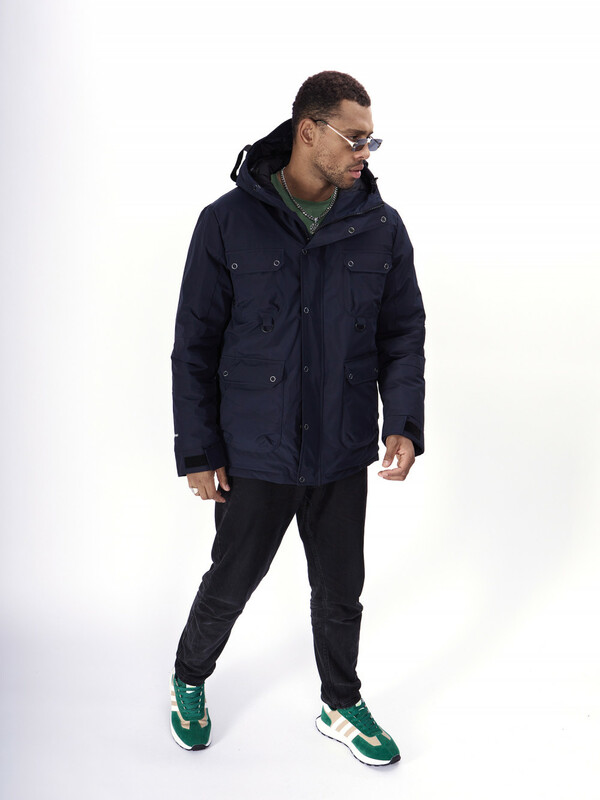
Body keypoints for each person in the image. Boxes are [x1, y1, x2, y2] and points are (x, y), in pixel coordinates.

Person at [169, 70, 426, 767]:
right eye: (354, 138)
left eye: (371, 141)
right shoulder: (226, 223)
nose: (364, 153)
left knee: (342, 592)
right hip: (255, 450)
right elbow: (194, 345)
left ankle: (340, 703)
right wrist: (198, 451)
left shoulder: (379, 226)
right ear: (308, 131)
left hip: (341, 447)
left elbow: (402, 332)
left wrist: (403, 420)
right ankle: (189, 676)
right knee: (231, 581)